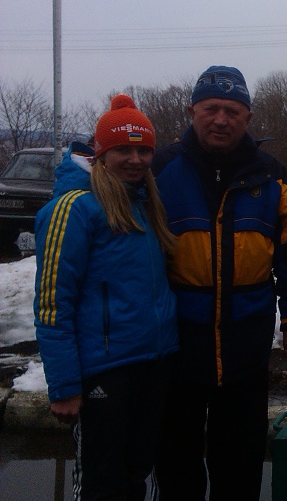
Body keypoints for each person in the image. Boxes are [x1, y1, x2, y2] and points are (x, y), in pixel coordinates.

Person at [152, 66, 287, 500]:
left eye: (232, 110)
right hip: (176, 344)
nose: (221, 120)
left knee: (240, 462)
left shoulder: (271, 174)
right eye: (211, 109)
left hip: (247, 343)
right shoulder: (159, 170)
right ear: (192, 111)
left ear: (248, 116)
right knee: (176, 464)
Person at [34, 95, 179, 500]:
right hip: (105, 371)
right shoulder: (74, 207)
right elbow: (52, 303)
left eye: (144, 150)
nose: (135, 159)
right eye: (123, 150)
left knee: (137, 474)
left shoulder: (145, 201)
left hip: (153, 364)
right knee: (102, 483)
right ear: (101, 153)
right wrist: (64, 384)